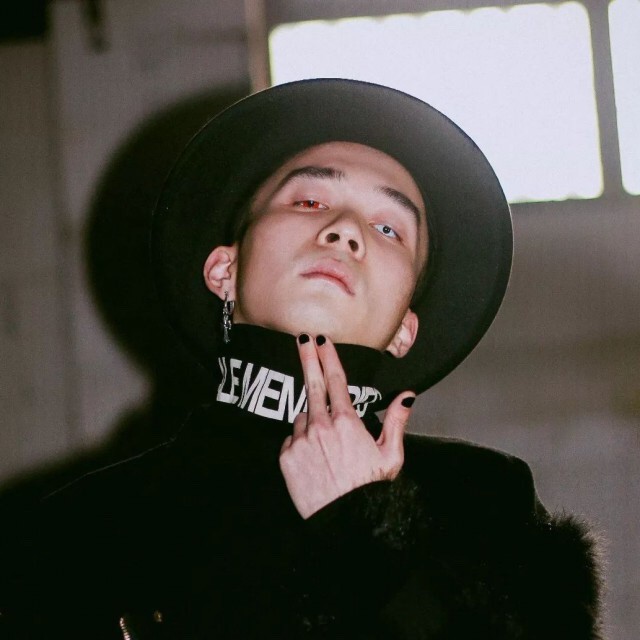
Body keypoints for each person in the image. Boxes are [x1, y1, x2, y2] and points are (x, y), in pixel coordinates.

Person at [0, 79, 602, 639]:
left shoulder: (487, 504)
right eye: (310, 201)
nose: (345, 230)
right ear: (224, 269)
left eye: (390, 229)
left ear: (405, 329)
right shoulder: (80, 530)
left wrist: (361, 533)